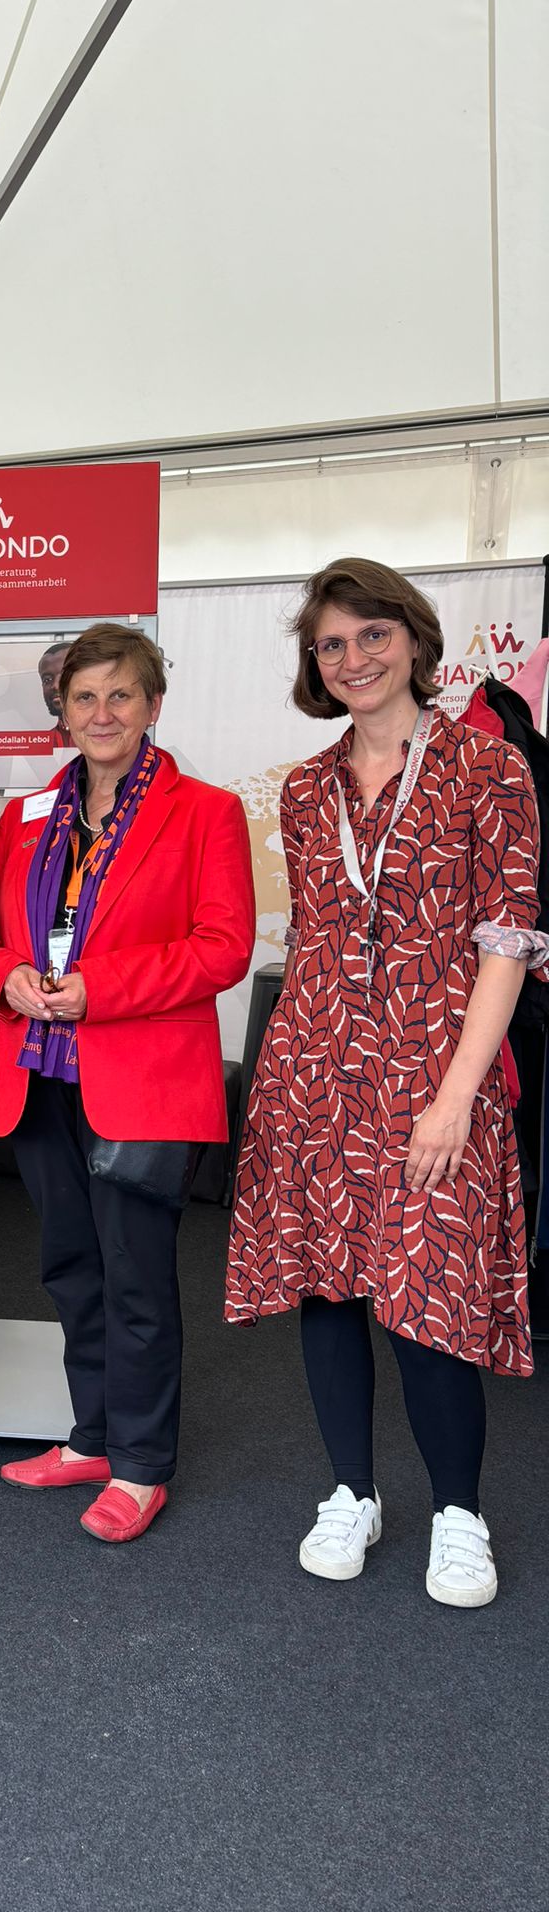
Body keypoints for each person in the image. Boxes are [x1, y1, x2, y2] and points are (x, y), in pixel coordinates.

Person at [226, 558, 545, 1607]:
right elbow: (319, 937)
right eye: (331, 643)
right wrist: (286, 1076)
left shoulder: (488, 770)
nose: (353, 657)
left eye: (371, 634)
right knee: (329, 1285)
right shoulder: (309, 788)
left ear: (411, 637)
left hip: (435, 1073)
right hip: (316, 1066)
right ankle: (351, 1489)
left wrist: (457, 1094)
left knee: (429, 1296)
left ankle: (460, 1512)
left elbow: (506, 941)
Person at [0, 622, 254, 1543]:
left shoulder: (204, 811)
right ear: (62, 712)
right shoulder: (28, 816)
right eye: (83, 697)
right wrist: (2, 976)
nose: (102, 713)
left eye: (120, 694)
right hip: (38, 1072)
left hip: (142, 1077)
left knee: (135, 1278)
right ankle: (92, 1435)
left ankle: (142, 1464)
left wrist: (99, 991)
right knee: (69, 1269)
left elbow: (225, 947)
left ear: (153, 705)